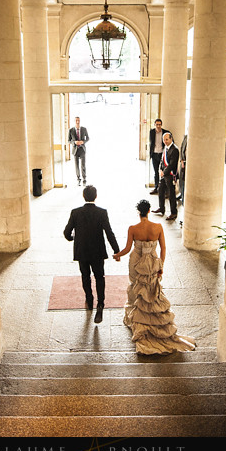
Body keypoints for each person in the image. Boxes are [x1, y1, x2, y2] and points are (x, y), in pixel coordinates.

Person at [113, 200, 196, 355]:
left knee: (137, 287)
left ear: (139, 212)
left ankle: (139, 321)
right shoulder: (157, 227)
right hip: (152, 262)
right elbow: (163, 248)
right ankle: (152, 319)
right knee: (152, 289)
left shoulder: (133, 228)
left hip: (137, 261)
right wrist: (160, 266)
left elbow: (127, 248)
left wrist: (117, 255)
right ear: (149, 211)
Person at [63, 185, 119, 324]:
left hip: (82, 251)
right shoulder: (102, 212)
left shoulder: (75, 212)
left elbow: (66, 233)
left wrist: (73, 238)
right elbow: (109, 233)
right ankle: (100, 304)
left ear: (83, 196)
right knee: (100, 277)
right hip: (97, 251)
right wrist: (116, 250)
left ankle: (89, 299)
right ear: (96, 196)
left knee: (85, 276)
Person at [152, 131, 179, 221]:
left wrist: (164, 172)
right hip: (164, 174)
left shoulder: (174, 149)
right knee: (160, 190)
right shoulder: (165, 147)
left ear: (171, 139)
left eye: (167, 139)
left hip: (170, 175)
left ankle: (173, 213)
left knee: (171, 195)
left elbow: (172, 164)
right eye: (164, 140)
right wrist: (160, 169)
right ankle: (161, 208)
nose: (165, 141)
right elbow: (161, 161)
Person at [148, 119, 169, 194]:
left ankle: (164, 189)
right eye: (157, 124)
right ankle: (156, 188)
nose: (158, 126)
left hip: (162, 154)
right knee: (156, 172)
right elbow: (151, 143)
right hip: (154, 154)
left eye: (159, 124)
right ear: (154, 125)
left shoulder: (166, 132)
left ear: (161, 125)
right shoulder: (152, 132)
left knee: (164, 172)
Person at [68, 116, 89, 185]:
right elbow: (69, 140)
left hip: (82, 149)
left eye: (78, 120)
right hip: (75, 150)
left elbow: (88, 138)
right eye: (76, 120)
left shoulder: (84, 129)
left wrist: (83, 142)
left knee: (83, 165)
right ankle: (78, 179)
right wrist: (74, 142)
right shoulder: (71, 130)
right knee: (76, 165)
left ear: (80, 121)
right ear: (74, 121)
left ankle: (84, 179)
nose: (77, 122)